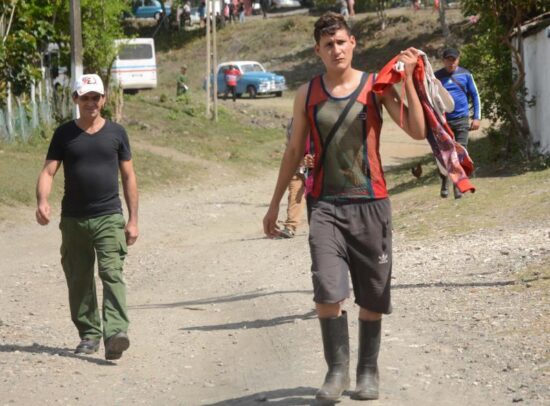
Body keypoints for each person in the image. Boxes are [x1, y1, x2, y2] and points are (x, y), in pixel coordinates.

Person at [263, 12, 426, 402]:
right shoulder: (308, 93)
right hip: (326, 207)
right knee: (326, 291)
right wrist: (273, 206)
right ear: (318, 50)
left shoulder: (376, 86)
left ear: (353, 44)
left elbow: (418, 131)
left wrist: (410, 84)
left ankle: (367, 372)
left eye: (341, 42)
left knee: (372, 294)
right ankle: (336, 372)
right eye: (328, 44)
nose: (336, 49)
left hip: (371, 204)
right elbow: (293, 151)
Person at [35, 74, 139, 361]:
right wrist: (42, 201)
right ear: (76, 100)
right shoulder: (64, 134)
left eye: (96, 97)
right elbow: (48, 171)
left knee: (111, 272)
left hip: (108, 216)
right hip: (74, 219)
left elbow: (129, 176)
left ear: (104, 99)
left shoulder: (116, 133)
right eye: (85, 97)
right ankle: (89, 334)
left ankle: (116, 332)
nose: (91, 102)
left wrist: (133, 219)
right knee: (79, 278)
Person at [435, 47, 481, 199]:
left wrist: (477, 117)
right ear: (443, 61)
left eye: (453, 60)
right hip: (443, 122)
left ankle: (458, 187)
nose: (451, 63)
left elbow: (475, 95)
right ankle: (444, 181)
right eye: (448, 59)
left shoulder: (466, 74)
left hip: (461, 119)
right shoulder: (436, 78)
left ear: (458, 60)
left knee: (461, 153)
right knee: (443, 154)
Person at [278, 120, 314, 239]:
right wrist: (301, 163)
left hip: (318, 167)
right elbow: (292, 149)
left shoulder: (320, 122)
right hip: (298, 166)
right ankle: (290, 227)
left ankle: (320, 226)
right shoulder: (293, 123)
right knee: (295, 192)